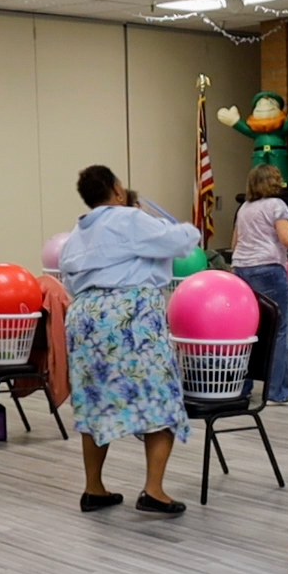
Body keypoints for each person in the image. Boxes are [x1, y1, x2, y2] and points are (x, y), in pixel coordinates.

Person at [59, 165, 199, 517]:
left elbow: (69, 282)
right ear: (117, 190)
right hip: (129, 316)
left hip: (84, 317)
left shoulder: (76, 234)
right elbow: (182, 241)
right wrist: (185, 228)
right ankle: (153, 491)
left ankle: (94, 488)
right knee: (159, 397)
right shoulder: (128, 218)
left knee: (94, 404)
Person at [231, 164, 288, 406]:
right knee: (278, 331)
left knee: (249, 330)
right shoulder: (278, 206)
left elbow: (234, 243)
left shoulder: (244, 208)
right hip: (269, 269)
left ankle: (243, 387)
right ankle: (278, 391)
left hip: (241, 269)